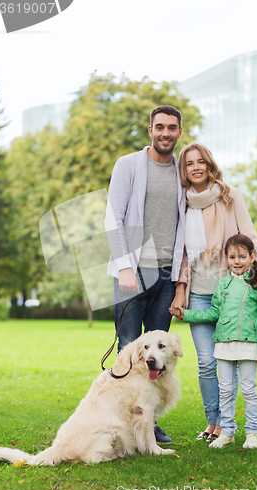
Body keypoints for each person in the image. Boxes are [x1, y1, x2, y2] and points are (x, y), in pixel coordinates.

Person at [169, 142, 257, 443]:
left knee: (230, 357)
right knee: (205, 361)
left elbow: (249, 233)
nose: (196, 167)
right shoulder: (183, 203)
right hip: (199, 292)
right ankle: (213, 422)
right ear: (184, 170)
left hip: (229, 292)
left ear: (209, 164)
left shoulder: (229, 196)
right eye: (189, 163)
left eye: (201, 161)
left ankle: (228, 425)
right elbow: (182, 251)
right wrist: (181, 287)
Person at [104, 105, 186, 443]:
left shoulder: (183, 170)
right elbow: (114, 217)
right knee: (128, 349)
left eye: (172, 127)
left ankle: (148, 422)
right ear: (150, 130)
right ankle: (121, 419)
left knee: (156, 354)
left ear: (179, 132)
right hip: (133, 271)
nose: (165, 132)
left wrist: (181, 279)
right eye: (160, 127)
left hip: (167, 273)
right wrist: (124, 266)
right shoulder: (128, 165)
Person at [175, 234, 257, 449]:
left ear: (251, 256)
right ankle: (227, 432)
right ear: (226, 259)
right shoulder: (222, 285)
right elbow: (213, 313)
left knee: (249, 390)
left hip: (249, 345)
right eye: (231, 257)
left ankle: (252, 433)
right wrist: (187, 315)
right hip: (223, 346)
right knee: (226, 390)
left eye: (242, 256)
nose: (237, 261)